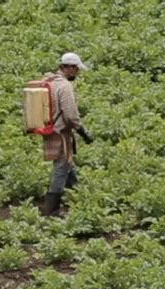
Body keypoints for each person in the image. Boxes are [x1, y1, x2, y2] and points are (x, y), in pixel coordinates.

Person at [42, 53, 94, 216]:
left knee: (68, 165)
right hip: (60, 132)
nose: (77, 72)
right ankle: (50, 211)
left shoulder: (49, 81)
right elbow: (70, 115)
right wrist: (82, 131)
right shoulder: (64, 86)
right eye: (77, 69)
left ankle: (77, 197)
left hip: (49, 130)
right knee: (61, 167)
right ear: (70, 68)